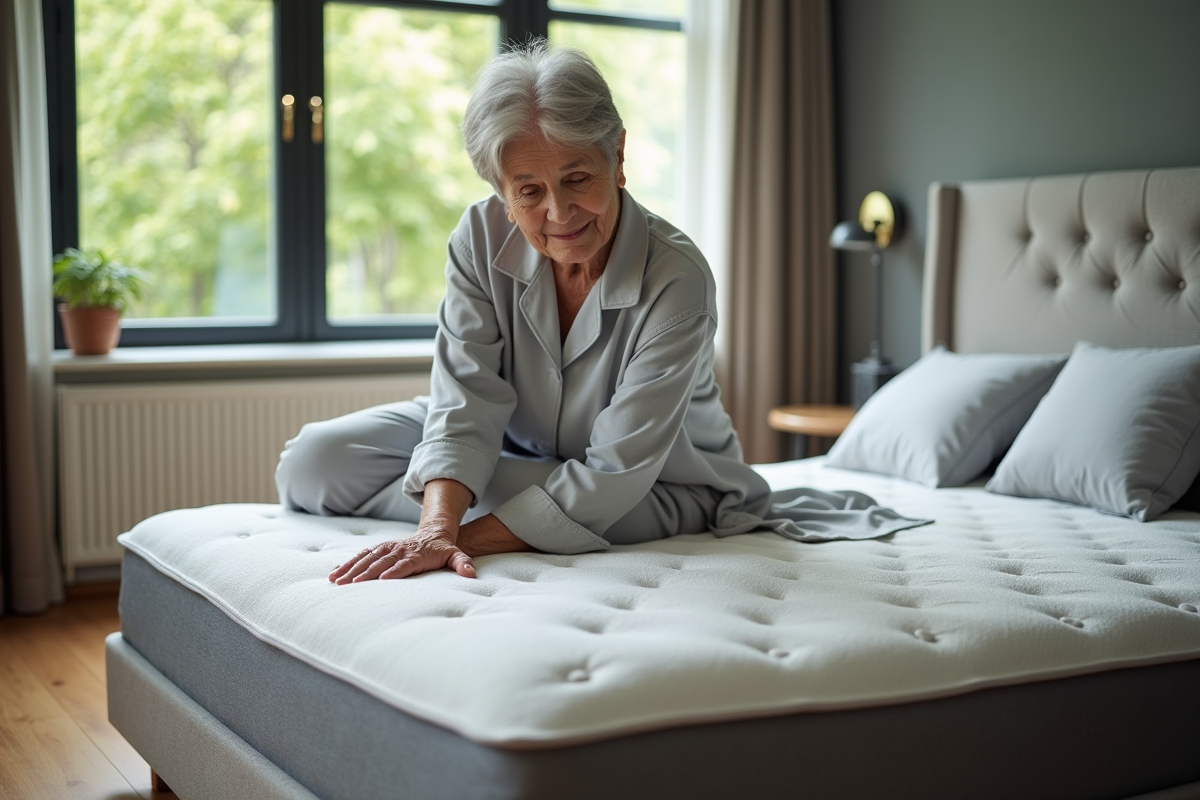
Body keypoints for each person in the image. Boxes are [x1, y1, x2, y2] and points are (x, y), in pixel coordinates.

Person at [276, 42, 924, 585]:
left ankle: (501, 508)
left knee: (529, 493)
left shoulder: (677, 277)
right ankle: (499, 506)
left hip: (654, 483)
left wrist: (453, 538)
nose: (559, 214)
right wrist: (437, 527)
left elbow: (616, 471)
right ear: (501, 194)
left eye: (577, 178)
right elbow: (466, 397)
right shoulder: (477, 237)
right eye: (529, 191)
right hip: (520, 446)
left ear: (616, 158)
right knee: (316, 461)